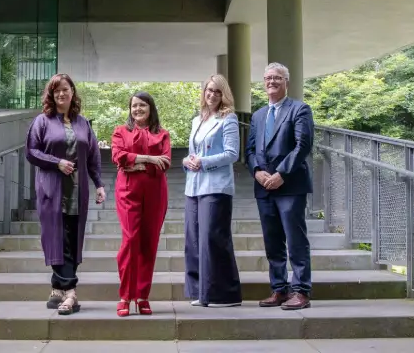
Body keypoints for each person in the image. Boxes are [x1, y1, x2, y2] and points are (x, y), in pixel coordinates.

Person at [25, 73, 107, 315]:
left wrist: (99, 184)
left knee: (70, 240)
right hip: (52, 190)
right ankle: (70, 293)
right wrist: (56, 162)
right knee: (58, 240)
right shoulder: (42, 121)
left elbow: (93, 157)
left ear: (73, 92)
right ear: (52, 95)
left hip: (77, 191)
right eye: (56, 90)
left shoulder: (83, 124)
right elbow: (31, 151)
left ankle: (56, 289)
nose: (61, 94)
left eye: (65, 89)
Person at [245, 62, 314, 310]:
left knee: (295, 239)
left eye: (276, 78)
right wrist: (257, 172)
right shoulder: (258, 115)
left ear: (286, 82)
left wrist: (282, 173)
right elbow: (250, 150)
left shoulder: (300, 109)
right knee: (272, 240)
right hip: (264, 187)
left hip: (290, 185)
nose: (271, 82)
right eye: (267, 78)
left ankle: (301, 291)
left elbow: (302, 145)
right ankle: (279, 289)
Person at [182, 74, 242, 307]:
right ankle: (201, 292)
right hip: (194, 186)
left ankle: (225, 294)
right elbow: (191, 152)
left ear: (224, 94)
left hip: (216, 187)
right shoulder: (197, 120)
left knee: (213, 239)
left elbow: (232, 154)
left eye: (217, 91)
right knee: (194, 240)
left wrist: (204, 162)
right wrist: (187, 160)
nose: (212, 95)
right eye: (209, 90)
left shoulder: (229, 119)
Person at [111, 92, 172, 317]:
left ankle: (142, 296)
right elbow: (118, 156)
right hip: (128, 192)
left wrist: (133, 161)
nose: (137, 109)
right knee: (130, 240)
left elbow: (165, 162)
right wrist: (148, 159)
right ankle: (125, 296)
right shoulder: (121, 131)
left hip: (156, 193)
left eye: (142, 105)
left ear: (150, 108)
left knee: (149, 242)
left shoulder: (162, 134)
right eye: (134, 106)